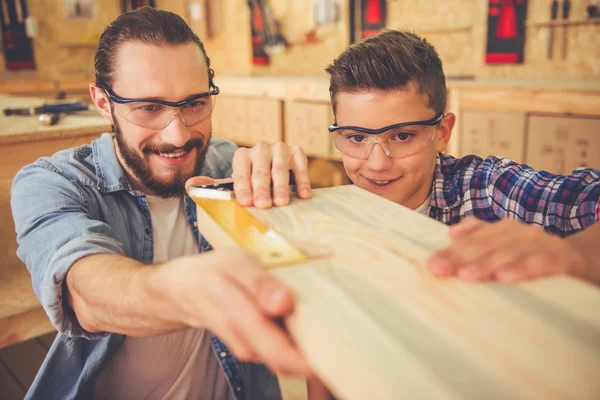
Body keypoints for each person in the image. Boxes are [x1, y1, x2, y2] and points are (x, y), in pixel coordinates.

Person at [11, 7, 313, 400]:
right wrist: (185, 292)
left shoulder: (225, 164)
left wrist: (286, 185)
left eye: (195, 103)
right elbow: (87, 293)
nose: (178, 135)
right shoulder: (52, 183)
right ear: (103, 102)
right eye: (150, 108)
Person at [308, 28, 600, 400]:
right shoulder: (329, 218)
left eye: (402, 136)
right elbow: (326, 353)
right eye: (356, 138)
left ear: (443, 132)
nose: (377, 164)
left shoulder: (488, 189)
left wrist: (577, 255)